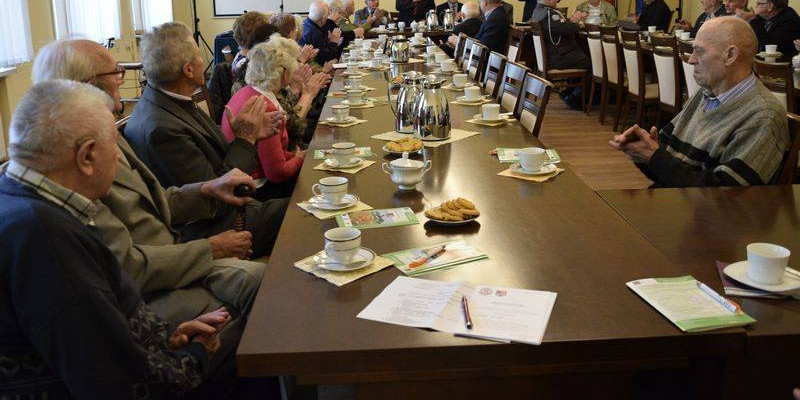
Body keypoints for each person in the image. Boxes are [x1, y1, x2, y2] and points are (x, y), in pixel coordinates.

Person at [0, 79, 229, 399]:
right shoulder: (44, 238)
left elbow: (98, 333)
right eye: (114, 144)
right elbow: (113, 379)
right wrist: (195, 356)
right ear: (87, 157)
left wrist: (166, 338)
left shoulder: (19, 200)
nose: (120, 157)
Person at [30, 38, 268, 327]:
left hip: (175, 253)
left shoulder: (106, 129)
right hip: (151, 287)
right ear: (88, 84)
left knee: (268, 280)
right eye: (116, 72)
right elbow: (124, 266)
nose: (122, 79)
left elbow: (154, 200)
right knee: (266, 291)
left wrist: (207, 188)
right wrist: (211, 248)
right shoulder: (75, 161)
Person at [124, 22, 289, 257]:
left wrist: (244, 137)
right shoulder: (162, 129)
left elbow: (214, 162)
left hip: (232, 207)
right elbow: (219, 197)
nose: (204, 62)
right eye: (199, 56)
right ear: (189, 70)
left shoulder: (169, 101)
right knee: (305, 212)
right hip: (214, 227)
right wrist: (245, 141)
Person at [610, 17, 789, 187]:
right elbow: (666, 167)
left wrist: (654, 157)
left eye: (699, 51)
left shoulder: (764, 116)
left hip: (700, 209)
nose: (691, 59)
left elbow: (726, 194)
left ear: (730, 55)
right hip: (675, 201)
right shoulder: (705, 95)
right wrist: (643, 148)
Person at [223, 38, 329, 199]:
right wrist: (301, 157)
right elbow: (277, 173)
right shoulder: (267, 109)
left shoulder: (246, 92)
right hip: (257, 189)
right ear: (285, 73)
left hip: (241, 180)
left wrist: (295, 155)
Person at [531, 0, 590, 109]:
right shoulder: (548, 14)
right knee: (594, 64)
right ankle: (575, 98)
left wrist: (571, 21)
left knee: (584, 58)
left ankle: (569, 93)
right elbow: (566, 30)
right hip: (559, 58)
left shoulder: (538, 11)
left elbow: (560, 26)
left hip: (555, 55)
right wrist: (576, 20)